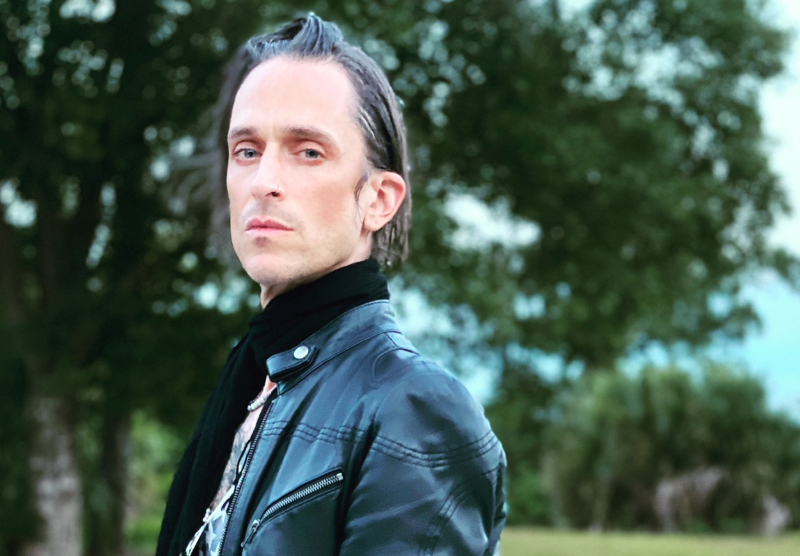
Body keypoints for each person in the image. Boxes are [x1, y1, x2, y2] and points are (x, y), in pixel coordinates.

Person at [156, 14, 506, 556]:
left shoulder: (413, 410)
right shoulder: (255, 381)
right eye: (247, 150)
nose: (264, 182)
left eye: (308, 152)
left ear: (379, 200)